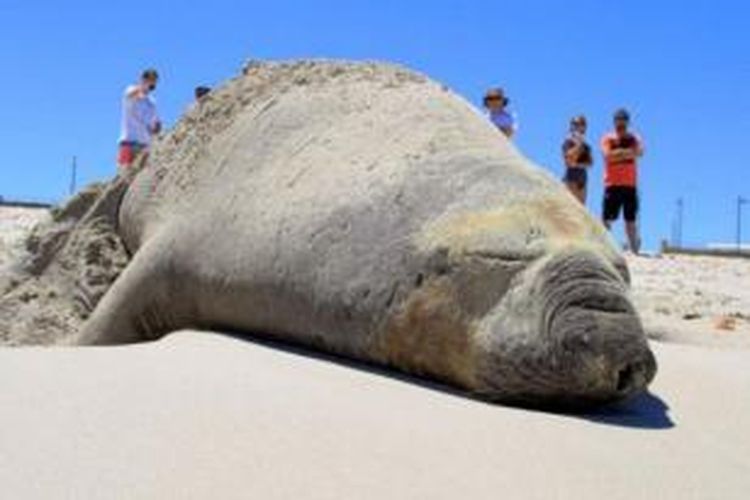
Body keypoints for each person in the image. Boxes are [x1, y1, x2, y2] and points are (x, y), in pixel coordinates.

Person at [600, 108, 645, 253]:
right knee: (607, 218)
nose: (621, 125)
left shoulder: (634, 138)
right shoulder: (607, 138)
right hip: (612, 184)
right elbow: (607, 156)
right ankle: (604, 247)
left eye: (623, 122)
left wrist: (618, 154)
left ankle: (634, 249)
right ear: (614, 122)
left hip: (630, 185)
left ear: (627, 122)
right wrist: (628, 153)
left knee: (630, 219)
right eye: (618, 122)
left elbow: (640, 152)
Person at [117, 68, 162, 181]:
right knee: (123, 178)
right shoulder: (131, 90)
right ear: (143, 79)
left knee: (140, 181)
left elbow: (154, 125)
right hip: (128, 143)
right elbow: (131, 95)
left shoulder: (152, 102)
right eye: (150, 80)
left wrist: (157, 128)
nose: (151, 85)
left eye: (153, 83)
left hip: (144, 146)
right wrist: (142, 86)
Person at [562, 115, 593, 204]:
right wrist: (579, 145)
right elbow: (568, 160)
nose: (577, 127)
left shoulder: (586, 146)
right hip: (570, 180)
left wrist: (576, 163)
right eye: (575, 124)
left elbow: (590, 163)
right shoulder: (568, 142)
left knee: (580, 210)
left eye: (580, 125)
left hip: (582, 182)